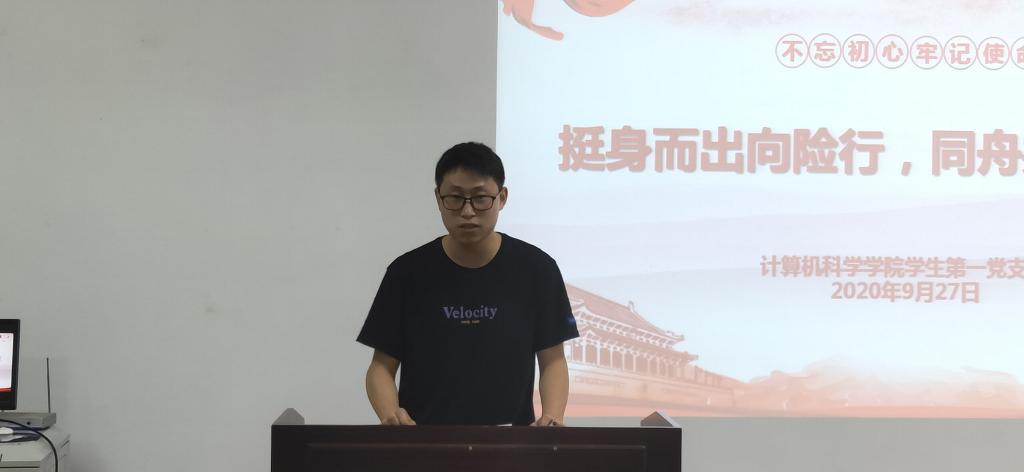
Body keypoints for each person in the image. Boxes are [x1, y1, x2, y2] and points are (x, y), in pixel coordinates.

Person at [356, 141, 579, 426]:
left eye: (480, 198)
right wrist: (391, 415)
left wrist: (552, 417)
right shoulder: (406, 272)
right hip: (423, 438)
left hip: (512, 439)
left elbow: (553, 360)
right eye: (455, 198)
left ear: (502, 198)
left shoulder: (537, 269)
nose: (468, 211)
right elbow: (381, 367)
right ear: (438, 199)